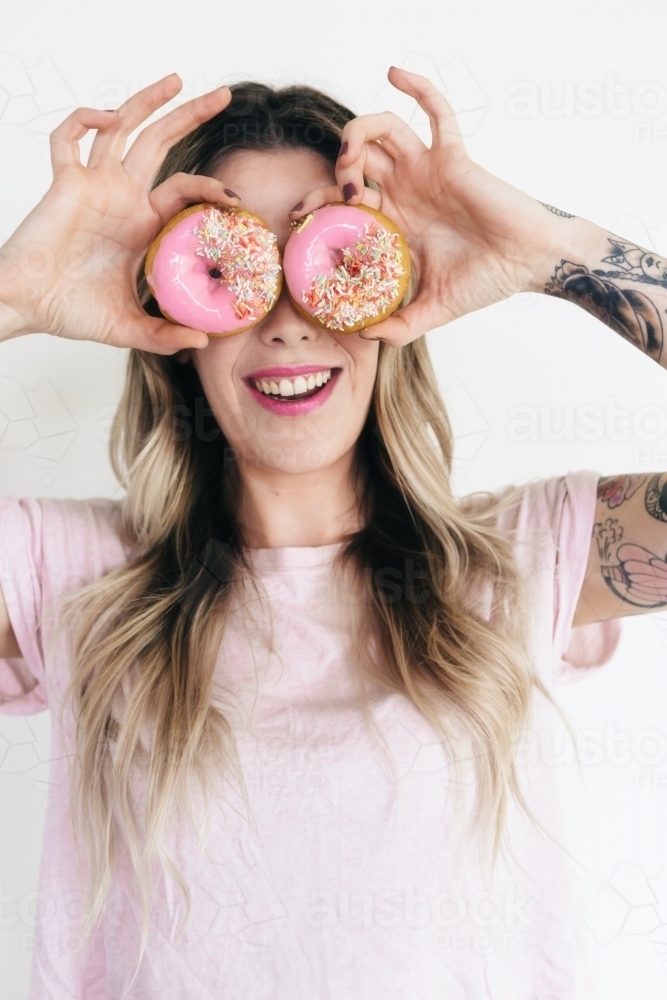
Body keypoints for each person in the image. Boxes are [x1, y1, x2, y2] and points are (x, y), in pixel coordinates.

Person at [0, 65, 664, 998]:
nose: (286, 320)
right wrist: (15, 295)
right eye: (230, 270)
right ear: (164, 305)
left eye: (332, 260)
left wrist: (554, 253)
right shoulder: (59, 576)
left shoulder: (522, 560)